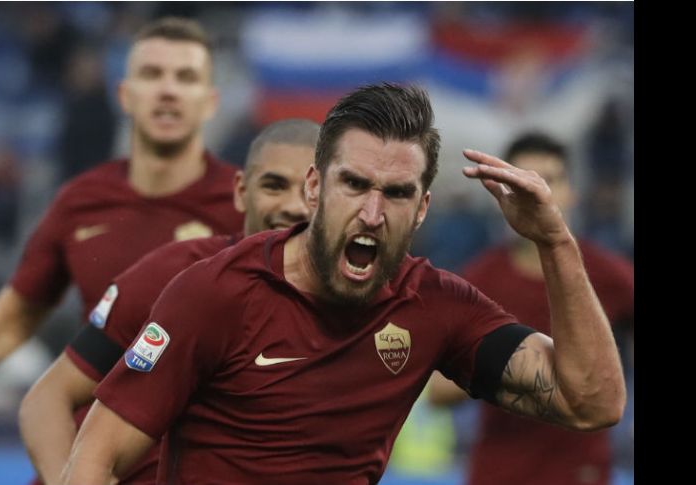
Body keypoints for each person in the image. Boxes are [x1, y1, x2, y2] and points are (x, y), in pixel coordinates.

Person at [63, 83, 626, 485]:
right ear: (316, 187)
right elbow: (95, 459)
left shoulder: (437, 306)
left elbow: (592, 404)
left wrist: (554, 242)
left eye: (398, 193)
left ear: (424, 207)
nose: (373, 214)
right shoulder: (215, 293)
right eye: (354, 184)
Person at [17, 118, 319, 485]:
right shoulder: (174, 273)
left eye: (310, 191)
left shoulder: (358, 310)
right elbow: (47, 399)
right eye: (274, 185)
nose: (295, 207)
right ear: (241, 190)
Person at [0, 17, 244, 366]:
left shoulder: (246, 204)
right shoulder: (81, 199)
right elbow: (7, 327)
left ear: (211, 101)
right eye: (152, 74)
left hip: (200, 416)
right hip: (88, 412)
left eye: (185, 77)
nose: (167, 90)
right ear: (125, 95)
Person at [428, 132, 634, 485]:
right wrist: (517, 362)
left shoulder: (608, 275)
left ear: (571, 192)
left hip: (582, 473)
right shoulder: (477, 280)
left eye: (548, 181)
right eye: (519, 181)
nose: (535, 194)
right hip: (499, 472)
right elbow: (438, 392)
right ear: (499, 195)